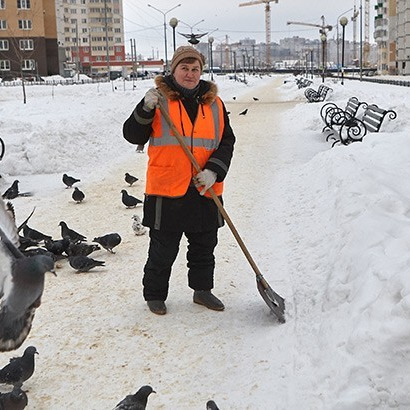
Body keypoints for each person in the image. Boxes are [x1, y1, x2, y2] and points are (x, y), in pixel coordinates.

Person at [123, 46, 236, 315]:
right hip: (167, 188)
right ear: (173, 71)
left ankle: (202, 291)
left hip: (204, 187)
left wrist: (214, 171)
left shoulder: (215, 103)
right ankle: (154, 294)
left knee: (204, 246)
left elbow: (226, 141)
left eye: (195, 68)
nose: (190, 73)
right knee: (163, 250)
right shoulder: (157, 99)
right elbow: (132, 134)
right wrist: (145, 108)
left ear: (201, 71)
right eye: (184, 68)